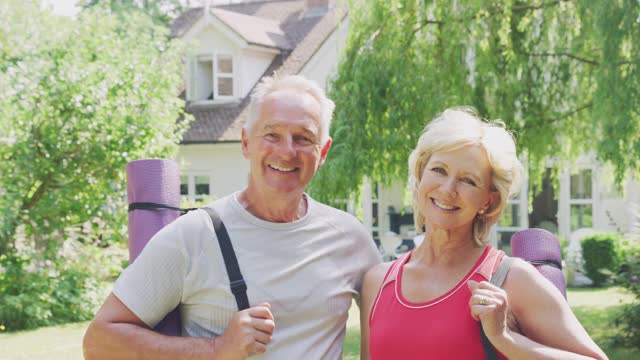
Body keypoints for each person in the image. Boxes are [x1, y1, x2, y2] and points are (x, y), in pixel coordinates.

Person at [83, 75, 381, 359]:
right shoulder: (194, 235)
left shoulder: (349, 238)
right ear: (246, 142)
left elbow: (394, 324)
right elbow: (100, 342)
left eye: (303, 138)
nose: (287, 151)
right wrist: (216, 350)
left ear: (323, 152)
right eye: (271, 135)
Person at [359, 108, 608, 359]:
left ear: (488, 201)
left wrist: (505, 339)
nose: (448, 189)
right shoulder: (377, 283)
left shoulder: (512, 280)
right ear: (420, 172)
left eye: (468, 181)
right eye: (439, 170)